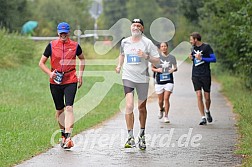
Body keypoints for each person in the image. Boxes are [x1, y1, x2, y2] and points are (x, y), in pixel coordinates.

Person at [39, 22, 85, 149]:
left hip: (70, 79)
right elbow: (41, 63)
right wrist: (50, 73)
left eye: (65, 32)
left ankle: (69, 136)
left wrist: (80, 75)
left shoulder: (75, 46)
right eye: (61, 32)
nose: (63, 34)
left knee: (69, 108)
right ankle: (63, 135)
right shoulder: (51, 45)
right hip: (56, 81)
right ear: (58, 32)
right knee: (60, 110)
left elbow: (82, 59)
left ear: (69, 32)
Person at [115, 18, 160, 150]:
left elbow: (157, 61)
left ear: (142, 29)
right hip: (128, 76)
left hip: (142, 79)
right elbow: (122, 55)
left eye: (138, 25)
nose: (135, 27)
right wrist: (119, 66)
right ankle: (130, 137)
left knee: (141, 107)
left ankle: (142, 134)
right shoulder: (125, 42)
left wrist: (146, 56)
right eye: (134, 25)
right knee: (129, 105)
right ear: (131, 28)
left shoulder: (147, 43)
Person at [189, 32, 216, 125]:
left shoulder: (206, 47)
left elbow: (214, 59)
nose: (190, 41)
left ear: (196, 39)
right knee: (199, 95)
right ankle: (203, 117)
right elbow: (194, 58)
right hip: (195, 75)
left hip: (205, 74)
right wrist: (192, 58)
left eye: (191, 39)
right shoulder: (193, 48)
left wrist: (202, 58)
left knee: (207, 97)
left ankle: (207, 111)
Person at [152, 42, 177, 123]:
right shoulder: (157, 58)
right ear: (160, 48)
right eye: (162, 46)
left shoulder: (172, 57)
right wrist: (157, 70)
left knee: (166, 98)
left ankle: (166, 116)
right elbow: (152, 68)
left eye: (165, 46)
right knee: (160, 100)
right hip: (159, 81)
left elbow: (176, 68)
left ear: (167, 47)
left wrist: (173, 69)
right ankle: (161, 109)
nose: (164, 48)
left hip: (169, 81)